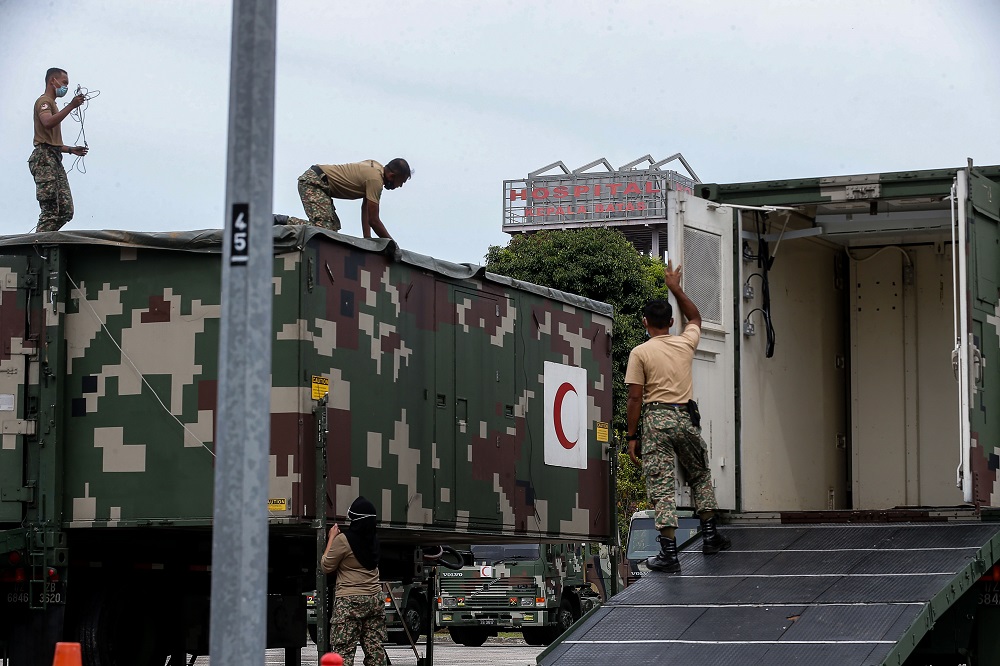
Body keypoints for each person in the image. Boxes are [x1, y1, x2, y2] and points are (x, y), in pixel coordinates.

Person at [624, 262, 731, 573]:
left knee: (662, 485)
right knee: (699, 474)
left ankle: (670, 555)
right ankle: (711, 535)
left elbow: (634, 397)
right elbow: (695, 317)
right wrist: (675, 287)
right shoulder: (685, 343)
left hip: (656, 421)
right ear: (671, 322)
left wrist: (632, 437)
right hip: (684, 418)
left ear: (645, 322)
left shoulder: (640, 353)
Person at [320, 496, 387, 666]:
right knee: (375, 650)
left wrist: (331, 539)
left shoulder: (344, 541)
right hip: (374, 599)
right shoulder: (374, 540)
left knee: (343, 653)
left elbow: (326, 566)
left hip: (349, 602)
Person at [277, 158, 411, 240]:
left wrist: (367, 238)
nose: (399, 186)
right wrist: (393, 244)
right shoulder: (375, 180)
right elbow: (374, 220)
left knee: (332, 229)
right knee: (323, 229)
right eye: (401, 182)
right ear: (392, 176)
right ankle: (281, 221)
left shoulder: (375, 168)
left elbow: (366, 208)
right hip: (314, 182)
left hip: (321, 184)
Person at [29, 67, 89, 232]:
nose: (66, 87)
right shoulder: (44, 102)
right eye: (64, 83)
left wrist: (70, 149)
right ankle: (40, 247)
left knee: (65, 211)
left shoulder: (53, 104)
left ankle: (46, 240)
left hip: (53, 157)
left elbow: (50, 141)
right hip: (44, 159)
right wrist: (71, 106)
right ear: (52, 81)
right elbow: (47, 122)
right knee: (50, 210)